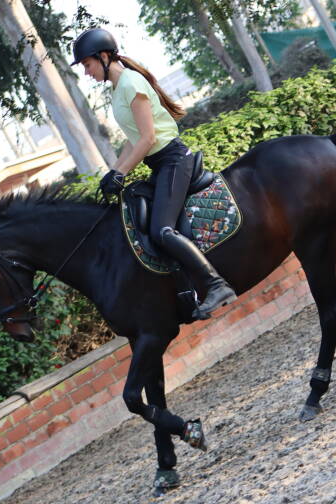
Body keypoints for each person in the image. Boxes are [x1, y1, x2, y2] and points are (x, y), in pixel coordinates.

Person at [72, 28, 236, 318]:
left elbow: (148, 138)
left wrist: (122, 172)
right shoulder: (118, 89)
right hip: (159, 165)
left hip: (173, 160)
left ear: (104, 56)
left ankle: (216, 284)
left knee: (162, 230)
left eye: (87, 64)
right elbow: (133, 140)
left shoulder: (131, 84)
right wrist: (113, 172)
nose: (86, 72)